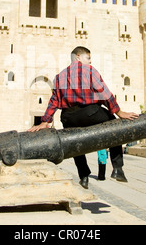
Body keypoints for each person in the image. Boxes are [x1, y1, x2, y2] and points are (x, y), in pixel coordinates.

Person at [28, 46, 138, 189]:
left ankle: (84, 176)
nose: (90, 62)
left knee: (74, 142)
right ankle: (117, 169)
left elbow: (54, 101)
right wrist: (118, 112)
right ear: (78, 56)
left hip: (68, 117)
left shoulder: (59, 76)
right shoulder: (89, 71)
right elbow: (103, 93)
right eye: (88, 58)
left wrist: (45, 121)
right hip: (89, 113)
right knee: (114, 125)